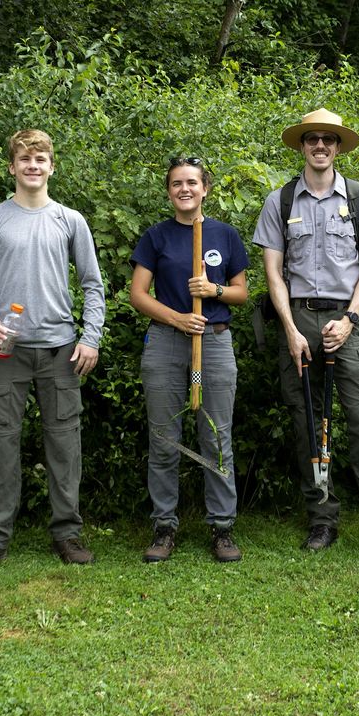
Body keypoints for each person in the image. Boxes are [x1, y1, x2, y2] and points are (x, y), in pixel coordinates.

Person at [0, 129, 106, 571]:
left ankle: (67, 533)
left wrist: (90, 336)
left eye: (40, 158)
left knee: (64, 446)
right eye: (24, 159)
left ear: (52, 166)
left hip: (61, 351)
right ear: (12, 167)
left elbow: (93, 284)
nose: (33, 165)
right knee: (0, 444)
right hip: (7, 351)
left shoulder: (70, 219)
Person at [252, 108, 359, 563]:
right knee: (306, 422)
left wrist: (351, 319)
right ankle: (322, 519)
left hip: (347, 322)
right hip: (297, 321)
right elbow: (274, 275)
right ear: (302, 146)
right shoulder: (278, 201)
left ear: (339, 148)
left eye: (329, 140)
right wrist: (290, 328)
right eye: (312, 139)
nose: (320, 146)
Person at [130, 157, 249, 563]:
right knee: (164, 438)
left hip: (213, 341)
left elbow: (241, 293)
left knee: (216, 436)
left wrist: (213, 289)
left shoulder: (224, 235)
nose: (185, 189)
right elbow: (139, 295)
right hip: (166, 340)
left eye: (192, 183)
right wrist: (177, 317)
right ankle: (164, 526)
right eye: (177, 183)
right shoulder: (156, 237)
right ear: (169, 191)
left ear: (205, 189)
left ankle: (222, 527)